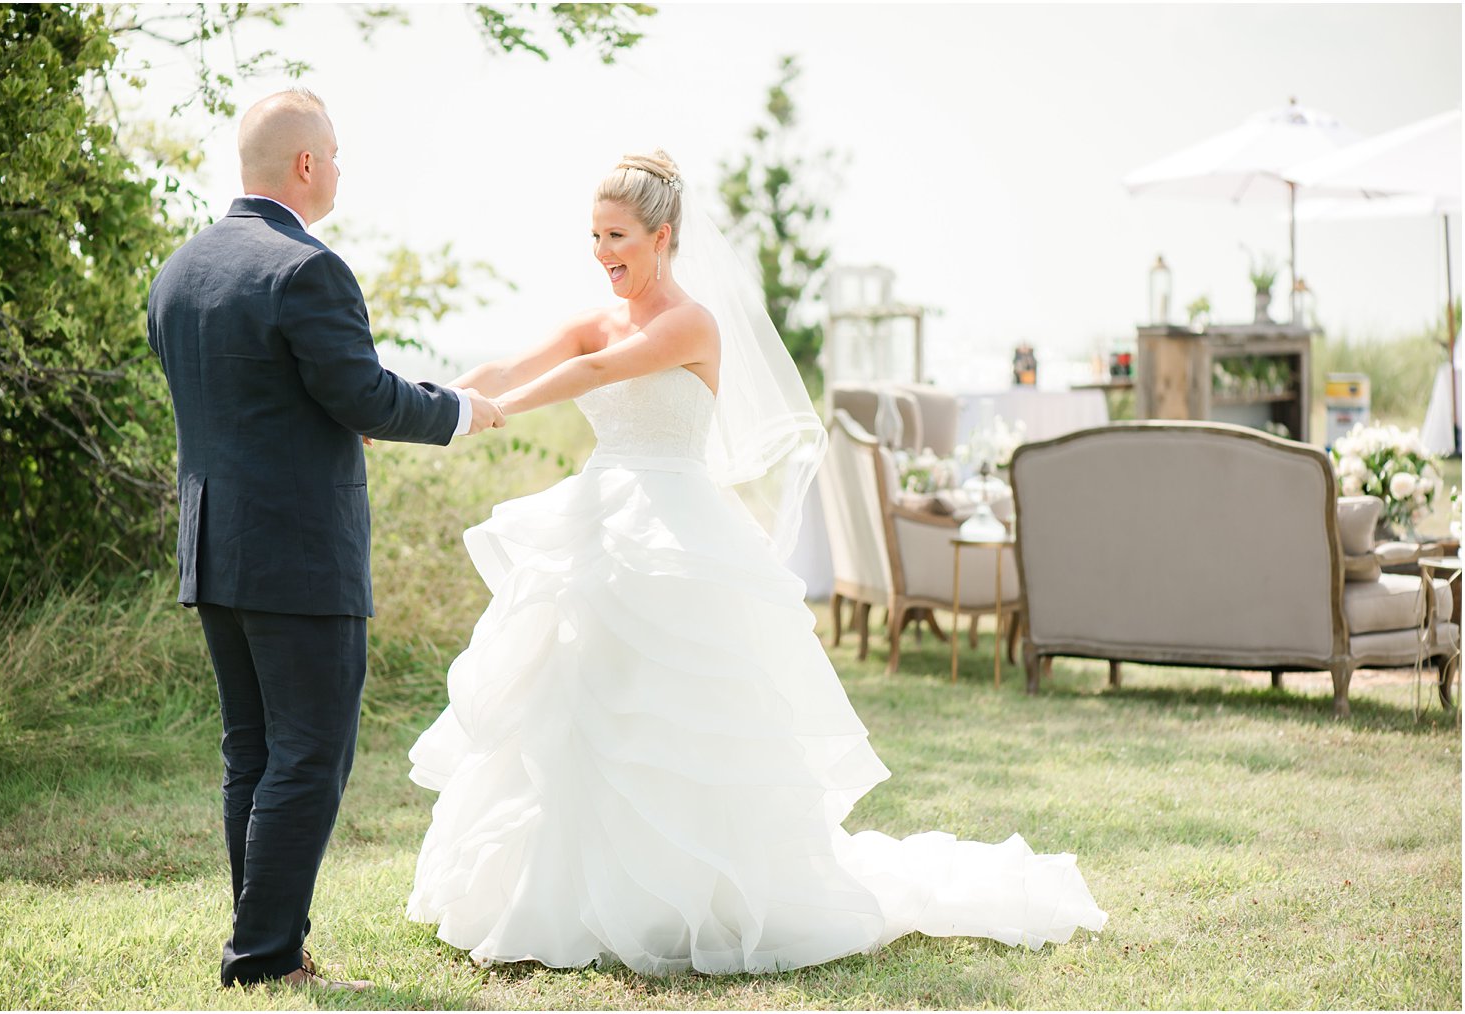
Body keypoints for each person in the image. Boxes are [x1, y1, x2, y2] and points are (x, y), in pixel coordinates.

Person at [404, 150, 1107, 975]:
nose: (603, 252)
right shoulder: (595, 314)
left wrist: (489, 414)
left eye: (618, 236)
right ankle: (560, 892)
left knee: (673, 712)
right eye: (594, 236)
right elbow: (508, 366)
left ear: (662, 236)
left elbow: (592, 374)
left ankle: (687, 893)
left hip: (675, 526)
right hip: (598, 518)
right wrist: (425, 403)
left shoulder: (692, 323)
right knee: (574, 702)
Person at [146, 88, 505, 991]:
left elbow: (260, 398)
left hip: (214, 550)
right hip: (299, 556)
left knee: (253, 753)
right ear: (305, 164)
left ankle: (267, 945)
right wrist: (463, 410)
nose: (341, 168)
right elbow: (365, 396)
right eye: (336, 153)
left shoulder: (178, 272)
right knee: (308, 755)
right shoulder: (307, 269)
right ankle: (264, 959)